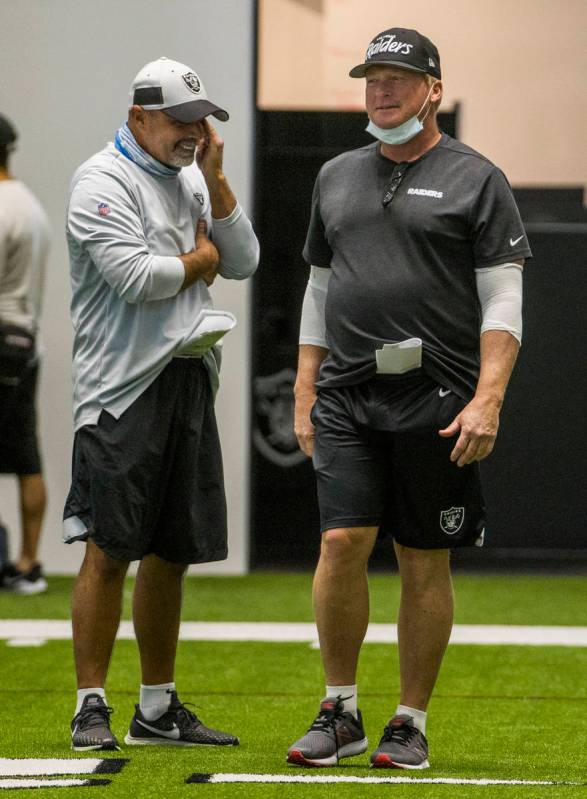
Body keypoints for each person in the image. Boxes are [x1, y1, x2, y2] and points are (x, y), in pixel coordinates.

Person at [287, 28, 530, 769]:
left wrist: (487, 397)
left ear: (432, 89)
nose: (381, 91)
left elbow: (504, 299)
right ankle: (340, 709)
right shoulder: (334, 175)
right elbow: (318, 289)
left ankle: (408, 719)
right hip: (346, 393)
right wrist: (303, 386)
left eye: (397, 78)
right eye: (371, 78)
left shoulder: (476, 178)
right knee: (339, 542)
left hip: (438, 396)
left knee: (423, 557)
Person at [64, 57, 259, 751]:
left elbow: (244, 260)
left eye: (201, 120)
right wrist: (199, 261)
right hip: (120, 391)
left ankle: (155, 707)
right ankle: (91, 704)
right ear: (139, 115)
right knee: (110, 548)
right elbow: (140, 280)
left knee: (172, 550)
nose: (193, 132)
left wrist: (217, 182)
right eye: (180, 120)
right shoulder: (100, 181)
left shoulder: (190, 177)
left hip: (186, 380)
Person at [0, 113, 50, 595]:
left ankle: (24, 562)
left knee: (23, 454)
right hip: (23, 339)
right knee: (24, 453)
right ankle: (28, 562)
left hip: (2, 335)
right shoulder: (29, 204)